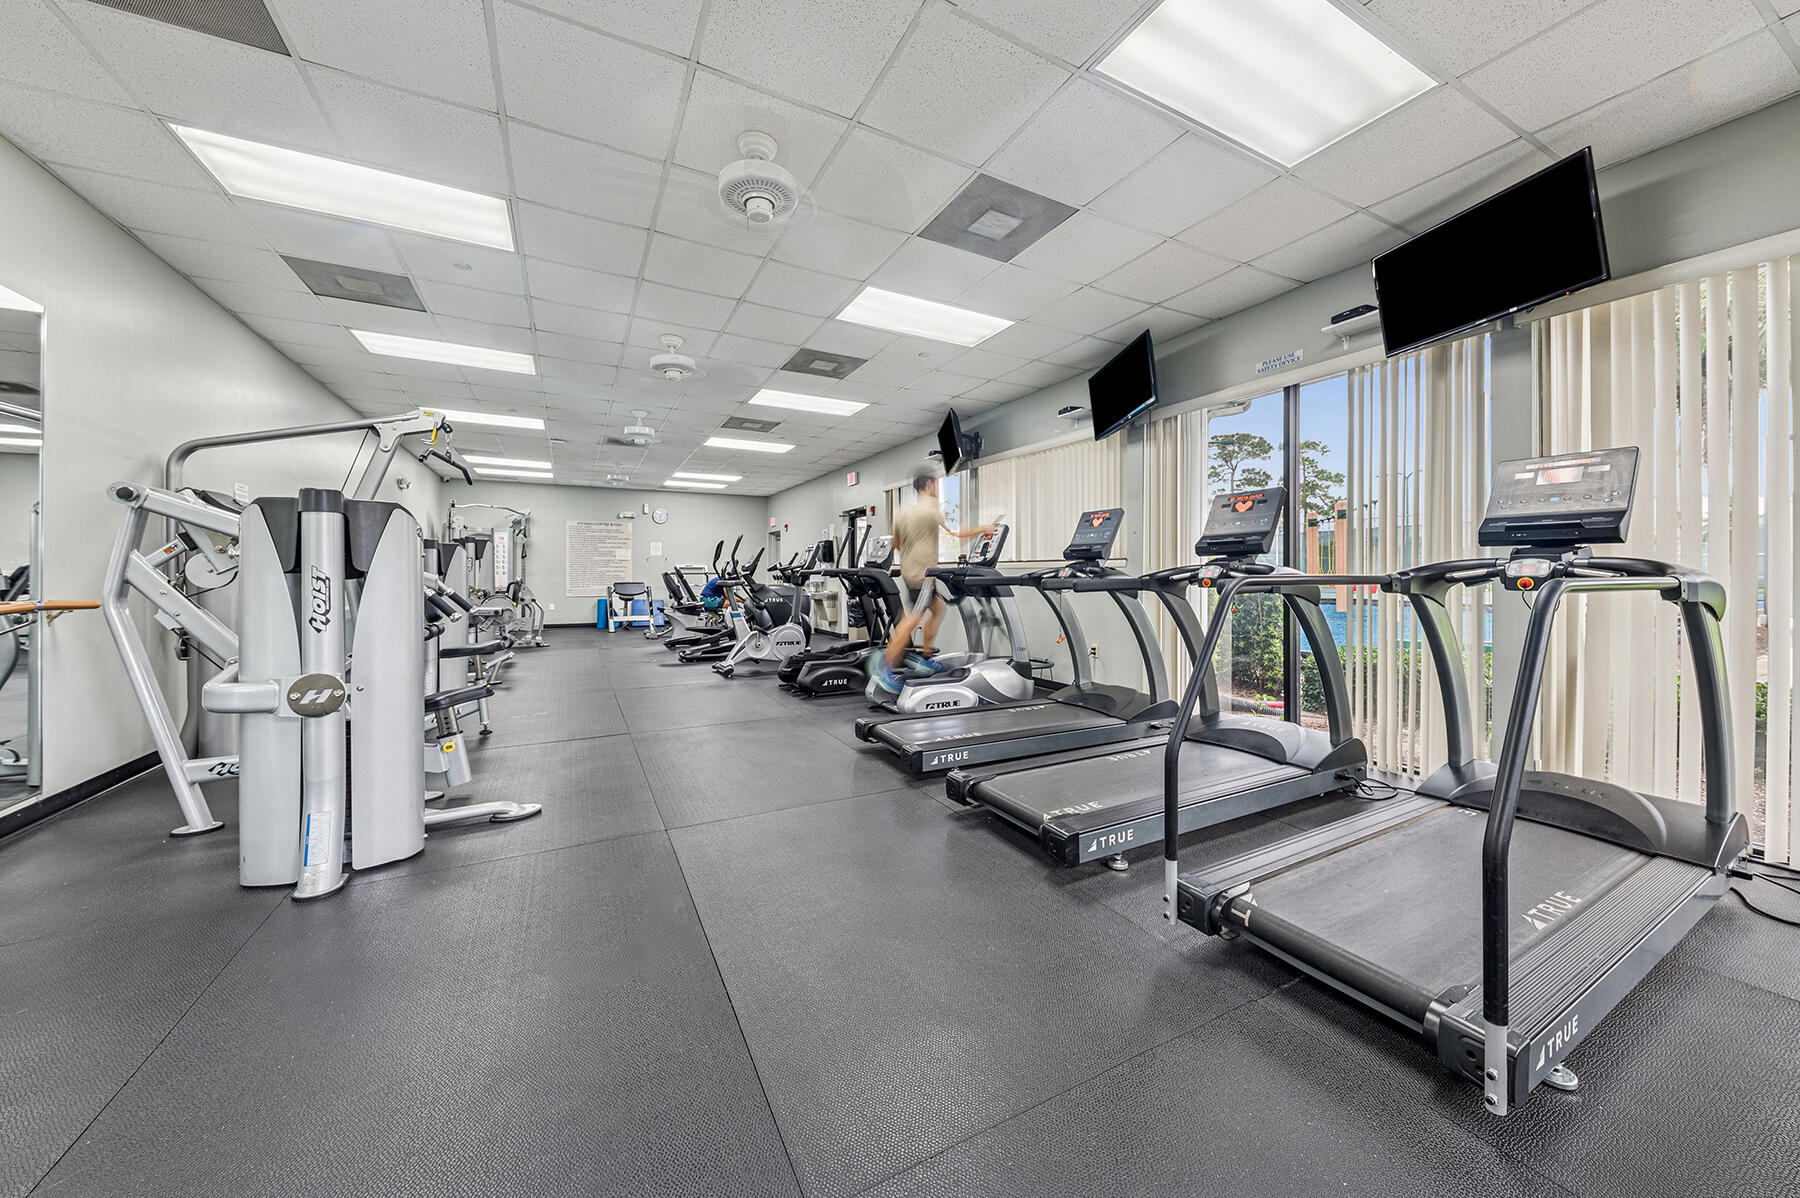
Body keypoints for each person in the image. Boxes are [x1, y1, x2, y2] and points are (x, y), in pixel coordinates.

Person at [874, 467, 994, 693]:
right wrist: (985, 528)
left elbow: (895, 544)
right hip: (924, 574)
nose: (938, 489)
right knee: (911, 618)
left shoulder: (903, 512)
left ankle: (926, 657)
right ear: (929, 486)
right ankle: (884, 667)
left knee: (938, 608)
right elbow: (958, 532)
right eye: (937, 485)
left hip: (911, 571)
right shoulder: (929, 508)